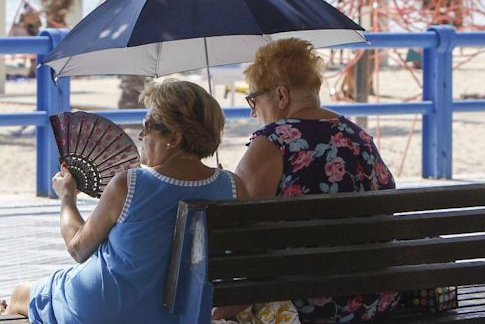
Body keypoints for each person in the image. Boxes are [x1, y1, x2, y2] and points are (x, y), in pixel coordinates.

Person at [3, 79, 248, 323]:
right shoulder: (233, 186)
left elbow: (78, 248)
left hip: (101, 310)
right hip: (180, 316)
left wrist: (67, 197)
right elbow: (244, 266)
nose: (141, 135)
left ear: (173, 137)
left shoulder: (130, 184)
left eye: (147, 125)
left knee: (20, 294)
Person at [234, 38, 399, 323]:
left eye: (254, 99)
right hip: (373, 298)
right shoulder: (359, 136)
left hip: (303, 303)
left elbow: (241, 230)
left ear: (281, 95)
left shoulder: (272, 142)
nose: (253, 111)